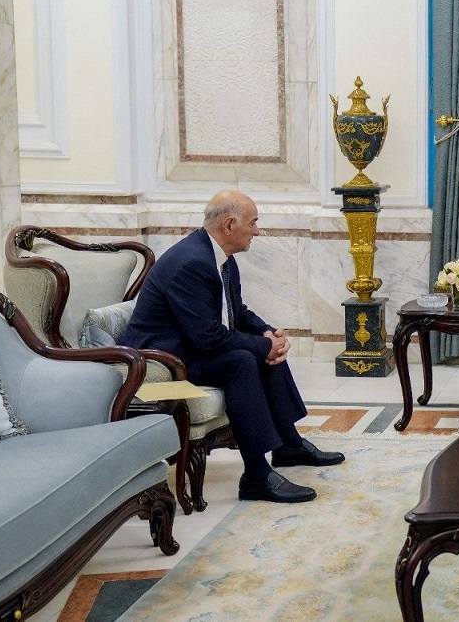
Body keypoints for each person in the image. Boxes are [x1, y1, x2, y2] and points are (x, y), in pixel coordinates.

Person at [122, 190, 343, 504]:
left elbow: (236, 311)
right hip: (161, 364)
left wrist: (268, 334)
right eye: (253, 223)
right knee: (241, 360)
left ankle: (289, 446)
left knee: (262, 351)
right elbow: (208, 337)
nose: (257, 231)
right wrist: (262, 346)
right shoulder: (192, 263)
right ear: (228, 225)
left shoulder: (218, 257)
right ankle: (256, 476)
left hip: (189, 349)